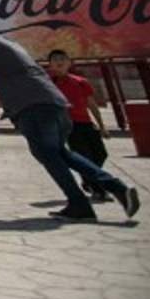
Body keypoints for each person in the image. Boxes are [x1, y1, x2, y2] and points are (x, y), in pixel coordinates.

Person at [0, 18, 139, 221]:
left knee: (48, 155)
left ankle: (79, 204)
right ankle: (117, 188)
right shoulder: (10, 47)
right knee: (62, 154)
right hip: (54, 105)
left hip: (33, 108)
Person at [47, 49, 111, 203]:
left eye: (62, 58)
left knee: (101, 154)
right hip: (68, 126)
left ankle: (88, 180)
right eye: (55, 59)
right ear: (50, 64)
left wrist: (101, 126)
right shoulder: (48, 83)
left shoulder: (80, 81)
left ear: (70, 62)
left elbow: (91, 104)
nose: (59, 61)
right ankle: (99, 190)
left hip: (86, 123)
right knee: (84, 156)